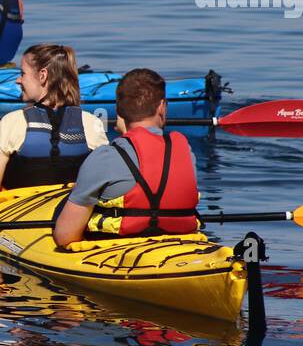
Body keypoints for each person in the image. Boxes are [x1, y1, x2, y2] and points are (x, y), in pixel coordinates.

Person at [53, 68, 200, 247]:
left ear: (118, 112)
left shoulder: (104, 157)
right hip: (179, 247)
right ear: (162, 106)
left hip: (115, 251)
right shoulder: (186, 151)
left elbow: (65, 236)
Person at [0, 43, 109, 198]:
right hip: (69, 210)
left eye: (22, 74)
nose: (18, 80)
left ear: (42, 75)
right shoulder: (92, 123)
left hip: (21, 215)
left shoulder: (13, 122)